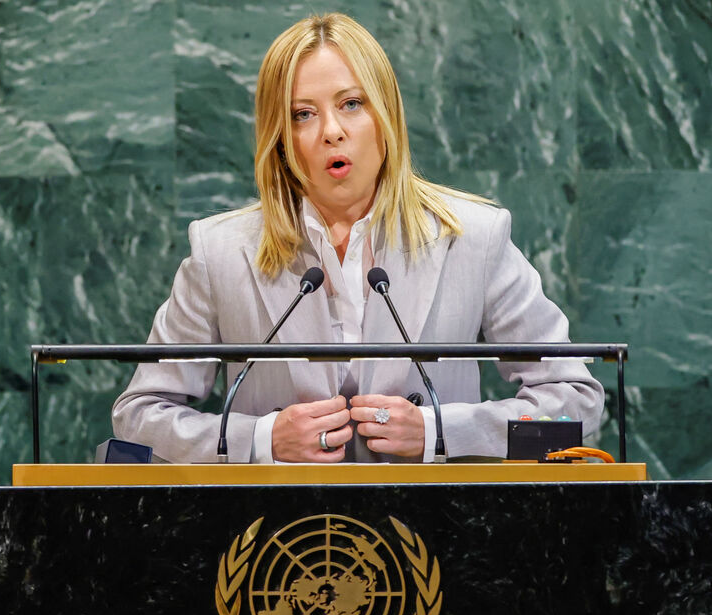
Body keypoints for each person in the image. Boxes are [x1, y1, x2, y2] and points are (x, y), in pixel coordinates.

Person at [112, 12, 602, 463]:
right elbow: (138, 417)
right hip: (278, 540)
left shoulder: (473, 237)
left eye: (351, 104)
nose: (331, 131)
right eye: (303, 114)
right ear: (279, 137)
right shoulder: (220, 251)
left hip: (443, 535)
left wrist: (440, 433)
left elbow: (574, 405)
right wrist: (260, 440)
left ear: (385, 116)